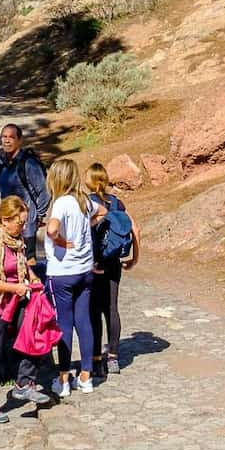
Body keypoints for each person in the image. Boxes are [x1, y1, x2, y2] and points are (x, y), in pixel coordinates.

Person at [0, 196, 49, 423]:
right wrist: (15, 288)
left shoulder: (16, 241)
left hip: (14, 301)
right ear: (5, 220)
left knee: (33, 334)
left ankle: (24, 382)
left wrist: (34, 280)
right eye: (20, 223)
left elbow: (22, 264)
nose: (24, 227)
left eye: (25, 223)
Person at [44, 157, 104, 398]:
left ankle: (64, 378)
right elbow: (104, 211)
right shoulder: (84, 201)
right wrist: (86, 230)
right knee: (84, 321)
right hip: (84, 270)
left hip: (62, 272)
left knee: (64, 325)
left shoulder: (61, 203)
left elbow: (51, 229)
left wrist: (58, 240)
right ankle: (86, 376)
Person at [85, 162, 140, 377]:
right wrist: (135, 257)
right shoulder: (117, 202)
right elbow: (136, 228)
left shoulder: (89, 203)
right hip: (114, 262)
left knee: (94, 311)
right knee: (111, 308)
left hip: (93, 262)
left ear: (89, 181)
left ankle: (97, 361)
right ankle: (114, 358)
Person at [0, 122, 51, 262]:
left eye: (11, 137)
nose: (7, 140)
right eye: (4, 137)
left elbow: (45, 192)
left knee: (28, 267)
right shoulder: (2, 165)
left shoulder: (29, 163)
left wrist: (37, 217)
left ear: (19, 140)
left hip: (26, 231)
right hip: (7, 229)